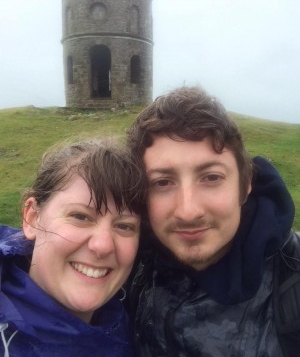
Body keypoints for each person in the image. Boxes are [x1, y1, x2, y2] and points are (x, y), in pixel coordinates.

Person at [126, 87, 300, 357]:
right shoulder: (127, 267)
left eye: (211, 178)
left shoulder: (293, 278)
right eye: (162, 182)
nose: (188, 211)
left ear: (245, 184)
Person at [0, 138, 146, 356]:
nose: (103, 245)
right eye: (80, 216)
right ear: (32, 218)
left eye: (124, 226)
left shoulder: (136, 321)